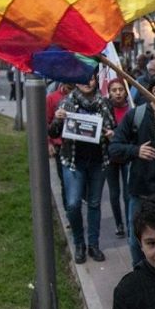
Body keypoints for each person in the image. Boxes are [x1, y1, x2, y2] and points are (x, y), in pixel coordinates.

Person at [110, 72, 155, 266]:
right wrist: (136, 150)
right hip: (139, 193)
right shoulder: (136, 116)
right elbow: (114, 148)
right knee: (136, 242)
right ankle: (140, 276)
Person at [48, 74, 116, 264]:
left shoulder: (104, 103)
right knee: (73, 204)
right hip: (73, 161)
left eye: (90, 79)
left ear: (95, 81)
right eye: (82, 79)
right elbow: (53, 132)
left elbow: (114, 129)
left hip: (97, 161)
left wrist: (111, 134)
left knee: (94, 204)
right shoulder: (66, 102)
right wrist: (58, 119)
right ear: (75, 81)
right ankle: (79, 243)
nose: (87, 83)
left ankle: (93, 244)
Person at [106, 78, 131, 240]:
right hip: (110, 156)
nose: (117, 93)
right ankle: (119, 224)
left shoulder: (131, 109)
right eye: (114, 90)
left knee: (128, 193)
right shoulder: (105, 109)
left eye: (120, 89)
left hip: (127, 155)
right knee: (114, 193)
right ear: (109, 92)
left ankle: (130, 223)